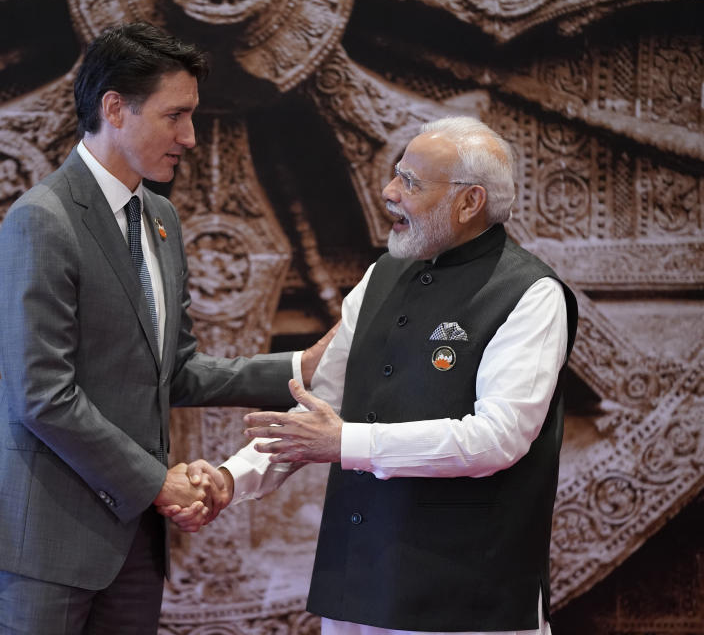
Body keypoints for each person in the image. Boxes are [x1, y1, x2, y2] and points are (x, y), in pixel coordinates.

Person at [0, 22, 325, 634]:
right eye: (175, 117)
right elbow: (42, 394)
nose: (191, 137)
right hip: (43, 540)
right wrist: (158, 483)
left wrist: (298, 367)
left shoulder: (161, 218)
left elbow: (174, 368)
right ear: (114, 109)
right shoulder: (40, 220)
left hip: (132, 543)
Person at [168, 116, 579, 634]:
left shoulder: (530, 294)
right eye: (395, 175)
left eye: (410, 182)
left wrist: (346, 443)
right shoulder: (379, 276)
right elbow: (320, 413)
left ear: (470, 202)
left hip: (465, 599)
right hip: (357, 586)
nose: (389, 193)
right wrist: (232, 479)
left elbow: (497, 438)